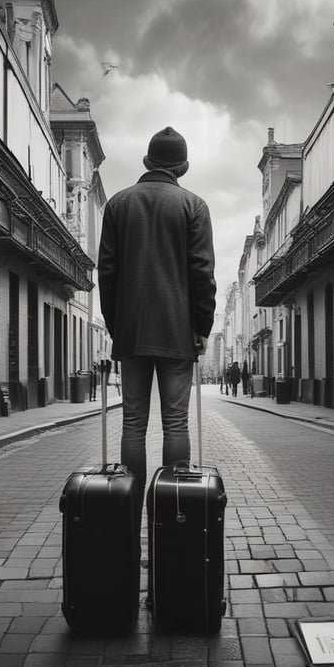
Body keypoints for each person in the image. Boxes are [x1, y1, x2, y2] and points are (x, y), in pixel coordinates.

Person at [98, 126, 216, 505]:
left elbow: (107, 273)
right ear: (182, 166)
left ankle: (128, 515)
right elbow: (202, 273)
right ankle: (173, 510)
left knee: (133, 424)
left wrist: (118, 327)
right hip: (177, 331)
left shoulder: (118, 204)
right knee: (175, 422)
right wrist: (202, 327)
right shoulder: (194, 206)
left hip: (131, 332)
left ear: (148, 161)